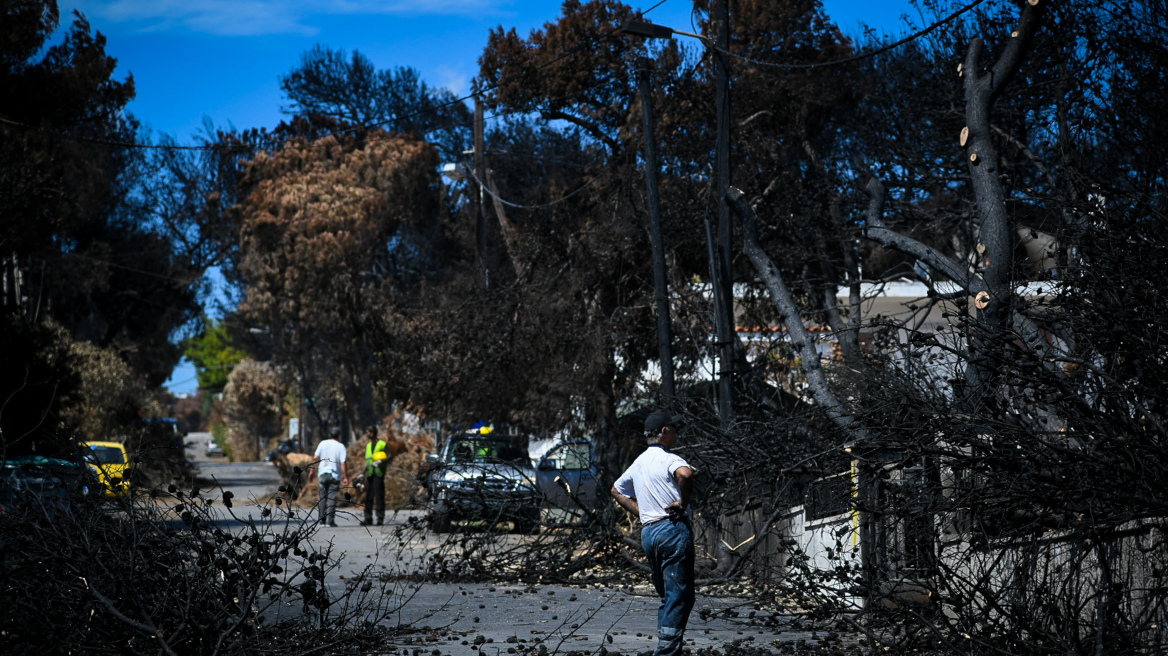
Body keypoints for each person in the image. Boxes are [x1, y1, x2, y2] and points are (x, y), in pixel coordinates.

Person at [611, 410, 695, 656]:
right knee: (680, 596)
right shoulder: (668, 458)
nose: (677, 434)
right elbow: (686, 474)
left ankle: (667, 646)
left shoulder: (639, 462)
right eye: (674, 429)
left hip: (649, 532)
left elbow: (616, 490)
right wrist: (682, 502)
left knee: (667, 595)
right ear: (664, 432)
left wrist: (643, 512)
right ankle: (666, 653)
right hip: (672, 529)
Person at [308, 432, 349, 527]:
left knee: (322, 497)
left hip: (322, 474)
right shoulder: (341, 446)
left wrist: (312, 471)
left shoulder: (322, 443)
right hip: (334, 475)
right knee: (332, 498)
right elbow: (343, 463)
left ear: (329, 435)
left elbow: (315, 458)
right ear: (339, 436)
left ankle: (321, 520)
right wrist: (345, 476)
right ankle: (330, 521)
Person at [362, 427, 388, 526]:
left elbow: (389, 455)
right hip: (369, 474)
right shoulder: (368, 446)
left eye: (367, 432)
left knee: (379, 497)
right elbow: (367, 462)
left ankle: (380, 518)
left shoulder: (382, 444)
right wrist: (362, 473)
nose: (366, 434)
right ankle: (368, 518)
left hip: (378, 474)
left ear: (372, 433)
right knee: (368, 497)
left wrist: (381, 461)